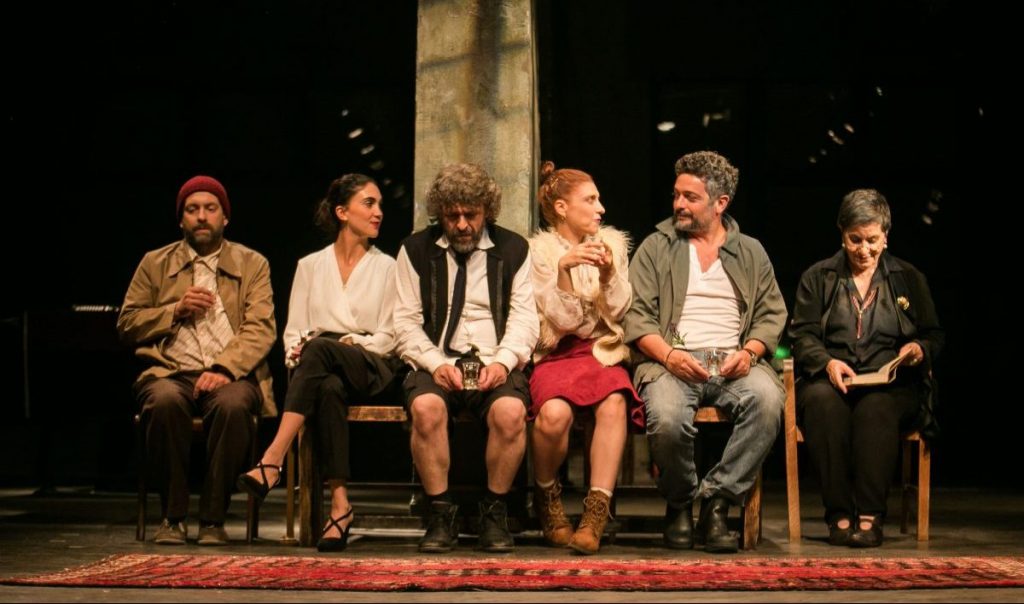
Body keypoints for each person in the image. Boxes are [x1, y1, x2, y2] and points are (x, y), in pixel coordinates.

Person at [623, 151, 786, 553]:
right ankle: (680, 502)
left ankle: (718, 502)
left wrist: (750, 353)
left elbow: (771, 314)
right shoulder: (655, 247)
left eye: (690, 197)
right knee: (666, 416)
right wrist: (669, 356)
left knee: (767, 402)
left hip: (733, 359)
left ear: (720, 203)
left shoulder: (751, 251)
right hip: (670, 359)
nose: (679, 204)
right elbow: (637, 316)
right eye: (677, 194)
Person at [235, 174, 399, 552]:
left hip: (372, 364)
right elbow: (294, 332)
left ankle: (272, 458)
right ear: (342, 212)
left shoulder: (388, 267)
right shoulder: (310, 265)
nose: (378, 212)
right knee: (326, 386)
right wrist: (303, 350)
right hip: (321, 367)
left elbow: (392, 336)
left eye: (379, 204)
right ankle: (340, 506)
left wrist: (349, 343)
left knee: (321, 350)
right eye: (368, 203)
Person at [117, 175, 276, 546]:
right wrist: (174, 310)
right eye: (192, 209)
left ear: (225, 217)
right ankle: (172, 517)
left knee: (234, 405)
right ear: (181, 220)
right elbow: (127, 323)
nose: (201, 216)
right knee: (163, 402)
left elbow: (261, 327)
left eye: (210, 208)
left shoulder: (253, 263)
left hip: (230, 374)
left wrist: (224, 369)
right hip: (171, 372)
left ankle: (212, 519)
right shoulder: (154, 263)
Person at [394, 163, 539, 553]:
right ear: (440, 213)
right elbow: (405, 322)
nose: (461, 224)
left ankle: (494, 511)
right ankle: (441, 512)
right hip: (437, 358)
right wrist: (435, 363)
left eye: (470, 215)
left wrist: (503, 362)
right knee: (425, 408)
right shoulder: (415, 250)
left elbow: (525, 318)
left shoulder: (514, 249)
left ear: (486, 211)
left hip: (494, 358)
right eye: (452, 215)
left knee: (510, 413)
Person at [788, 188, 943, 548]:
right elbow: (802, 335)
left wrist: (918, 349)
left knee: (875, 408)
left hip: (891, 384)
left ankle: (871, 517)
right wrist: (827, 362)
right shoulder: (819, 276)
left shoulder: (908, 277)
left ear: (885, 236)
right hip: (832, 379)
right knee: (823, 405)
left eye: (872, 240)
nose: (863, 249)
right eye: (854, 240)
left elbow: (934, 335)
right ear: (841, 234)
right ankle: (839, 515)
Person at [527, 161, 643, 555]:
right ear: (562, 208)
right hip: (557, 352)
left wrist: (608, 274)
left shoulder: (613, 245)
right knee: (553, 415)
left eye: (598, 200)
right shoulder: (540, 253)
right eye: (590, 200)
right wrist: (564, 269)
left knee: (614, 402)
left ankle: (595, 513)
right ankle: (547, 496)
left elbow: (620, 310)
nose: (600, 208)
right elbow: (562, 322)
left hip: (600, 350)